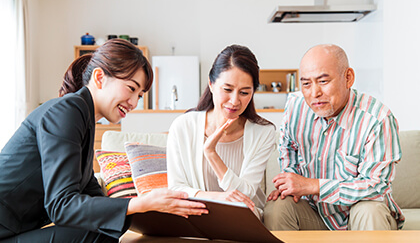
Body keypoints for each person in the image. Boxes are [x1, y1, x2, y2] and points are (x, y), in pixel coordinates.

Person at [0, 39, 208, 242]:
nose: (134, 102)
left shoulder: (83, 119)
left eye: (140, 95)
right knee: (101, 231)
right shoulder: (67, 111)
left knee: (109, 224)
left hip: (13, 231)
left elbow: (95, 198)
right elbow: (61, 206)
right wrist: (139, 204)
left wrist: (154, 207)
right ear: (100, 78)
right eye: (131, 88)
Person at [264, 44, 404, 231]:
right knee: (277, 207)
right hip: (313, 211)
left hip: (358, 210)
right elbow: (287, 147)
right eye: (306, 84)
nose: (314, 93)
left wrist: (314, 186)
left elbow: (376, 186)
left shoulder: (378, 119)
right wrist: (291, 182)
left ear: (348, 78)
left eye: (323, 81)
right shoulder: (295, 106)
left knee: (370, 211)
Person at [166, 44, 276, 219]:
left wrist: (211, 154)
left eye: (244, 92)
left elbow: (245, 194)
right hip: (197, 214)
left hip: (243, 218)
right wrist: (217, 198)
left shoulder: (263, 132)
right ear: (211, 84)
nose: (234, 101)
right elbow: (176, 188)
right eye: (227, 89)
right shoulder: (183, 126)